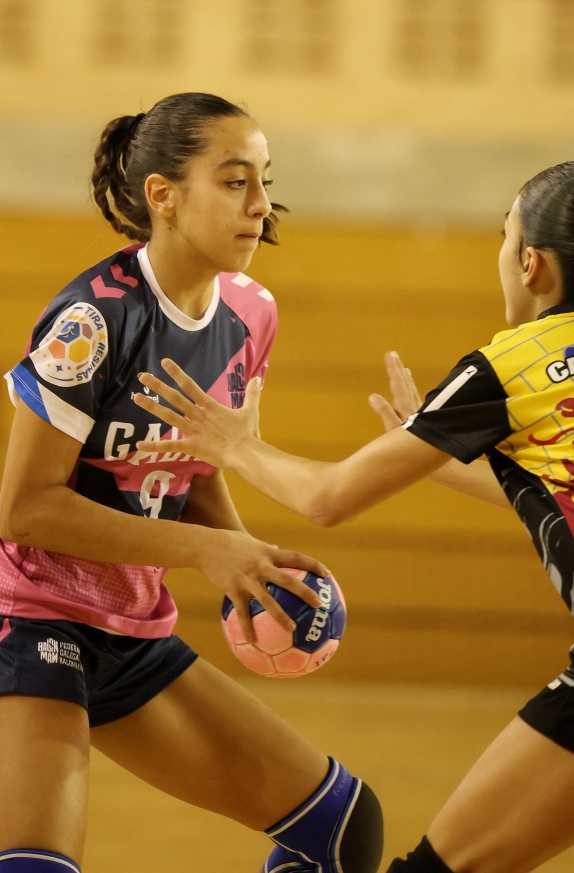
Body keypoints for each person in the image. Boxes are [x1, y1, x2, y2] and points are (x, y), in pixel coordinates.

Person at [0, 91, 384, 873]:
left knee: (343, 831)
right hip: (26, 623)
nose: (260, 204)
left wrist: (251, 564)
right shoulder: (91, 320)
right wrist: (207, 552)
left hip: (132, 632)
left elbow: (196, 470)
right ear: (163, 196)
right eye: (235, 181)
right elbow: (27, 511)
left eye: (264, 181)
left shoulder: (250, 313)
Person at [132, 159, 574, 873]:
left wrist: (235, 445)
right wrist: (428, 449)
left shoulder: (514, 366)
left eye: (504, 236)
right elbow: (555, 492)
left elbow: (327, 498)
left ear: (530, 263)